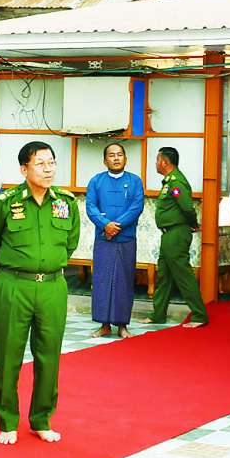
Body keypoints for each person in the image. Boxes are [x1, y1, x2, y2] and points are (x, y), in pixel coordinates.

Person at [0, 141, 80, 445]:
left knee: (49, 355)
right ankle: (7, 422)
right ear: (24, 169)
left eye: (51, 163)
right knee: (9, 354)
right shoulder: (5, 203)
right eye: (40, 164)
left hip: (53, 286)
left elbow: (71, 242)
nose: (48, 169)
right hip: (15, 285)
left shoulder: (66, 202)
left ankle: (42, 419)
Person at [85, 142, 144, 338]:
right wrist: (105, 225)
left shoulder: (135, 181)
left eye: (119, 154)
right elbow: (91, 207)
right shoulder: (96, 181)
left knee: (123, 282)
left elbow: (136, 207)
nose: (116, 158)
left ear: (126, 159)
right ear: (105, 160)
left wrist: (115, 226)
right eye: (111, 155)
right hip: (104, 239)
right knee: (102, 281)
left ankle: (122, 325)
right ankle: (104, 325)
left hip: (126, 239)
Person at [146, 147, 206, 328]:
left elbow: (186, 206)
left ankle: (199, 315)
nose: (156, 163)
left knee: (183, 275)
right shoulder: (169, 181)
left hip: (177, 233)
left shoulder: (176, 181)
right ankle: (158, 314)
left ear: (164, 162)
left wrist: (193, 223)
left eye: (157, 160)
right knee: (164, 275)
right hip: (168, 234)